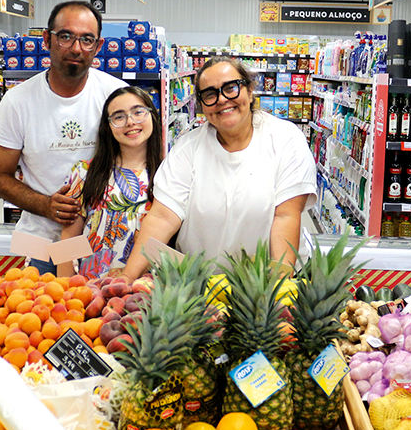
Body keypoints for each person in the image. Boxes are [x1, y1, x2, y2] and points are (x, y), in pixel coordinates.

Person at [120, 56, 317, 280]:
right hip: (201, 284)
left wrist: (279, 286)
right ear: (202, 105)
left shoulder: (285, 138)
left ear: (250, 91)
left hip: (267, 282)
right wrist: (127, 278)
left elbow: (286, 216)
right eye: (210, 94)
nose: (222, 99)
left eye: (231, 88)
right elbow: (162, 218)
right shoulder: (188, 147)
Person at [0, 1, 127, 275]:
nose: (76, 48)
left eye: (87, 40)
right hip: (41, 242)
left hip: (106, 242)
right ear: (46, 39)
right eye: (66, 36)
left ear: (98, 47)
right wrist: (46, 205)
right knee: (42, 315)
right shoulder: (17, 101)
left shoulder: (117, 96)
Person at [55, 87, 163, 279]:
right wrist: (64, 289)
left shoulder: (168, 176)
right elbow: (68, 239)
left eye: (138, 112)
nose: (130, 122)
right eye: (119, 117)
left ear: (152, 116)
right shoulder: (85, 173)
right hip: (89, 294)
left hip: (145, 295)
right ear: (108, 126)